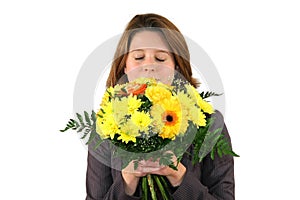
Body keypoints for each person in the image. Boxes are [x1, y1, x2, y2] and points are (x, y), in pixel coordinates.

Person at [86, 13, 235, 200]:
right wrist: (127, 180)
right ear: (124, 67)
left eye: (161, 58)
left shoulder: (210, 123)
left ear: (177, 67)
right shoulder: (105, 126)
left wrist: (179, 176)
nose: (149, 66)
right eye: (139, 57)